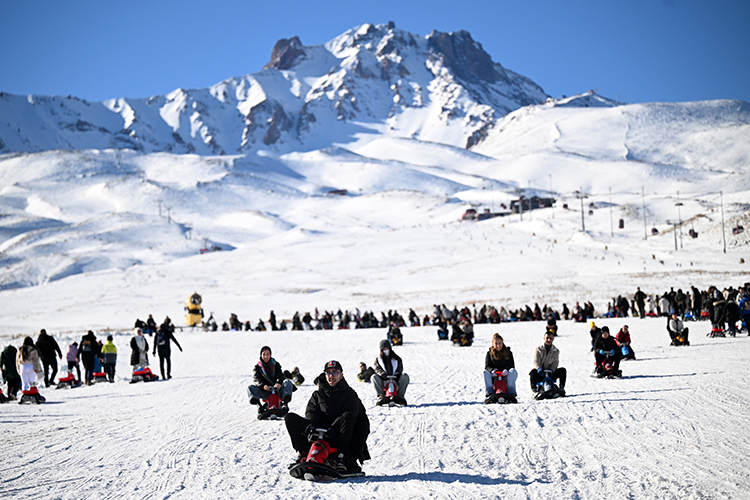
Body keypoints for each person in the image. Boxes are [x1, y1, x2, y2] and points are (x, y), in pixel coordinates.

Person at [284, 360, 370, 474]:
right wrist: (312, 425)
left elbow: (350, 414)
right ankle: (303, 453)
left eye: (335, 372)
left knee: (352, 417)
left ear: (341, 375)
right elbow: (311, 412)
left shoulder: (349, 394)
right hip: (319, 434)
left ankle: (342, 458)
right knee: (290, 418)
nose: (331, 376)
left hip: (340, 435)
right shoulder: (317, 394)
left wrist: (334, 428)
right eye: (328, 373)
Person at [247, 346, 295, 410]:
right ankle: (259, 406)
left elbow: (279, 375)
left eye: (268, 354)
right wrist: (263, 385)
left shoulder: (276, 364)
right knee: (251, 388)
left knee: (287, 382)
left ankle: (285, 404)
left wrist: (278, 383)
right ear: (261, 355)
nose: (266, 356)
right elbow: (257, 379)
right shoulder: (257, 368)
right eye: (264, 354)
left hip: (277, 390)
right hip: (265, 390)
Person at [372, 339, 410, 406]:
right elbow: (377, 369)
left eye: (387, 348)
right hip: (384, 379)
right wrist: (382, 374)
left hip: (395, 379)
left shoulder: (397, 358)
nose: (386, 350)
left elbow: (400, 367)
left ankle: (400, 396)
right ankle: (381, 396)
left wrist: (397, 373)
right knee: (374, 377)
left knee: (405, 376)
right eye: (384, 349)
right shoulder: (378, 360)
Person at [483, 333, 518, 401]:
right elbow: (487, 366)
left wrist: (507, 370)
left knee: (513, 371)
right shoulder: (489, 353)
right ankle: (489, 392)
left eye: (500, 343)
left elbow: (511, 365)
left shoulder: (508, 352)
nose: (498, 345)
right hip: (494, 376)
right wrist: (492, 371)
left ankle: (511, 392)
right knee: (485, 372)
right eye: (496, 343)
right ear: (493, 344)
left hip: (505, 376)